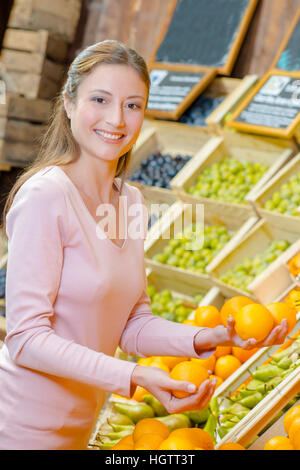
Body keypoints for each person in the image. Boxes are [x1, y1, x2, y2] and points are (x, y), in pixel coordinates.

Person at [0, 40, 288, 450]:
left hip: (81, 425)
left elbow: (132, 322)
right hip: (20, 426)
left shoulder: (131, 201)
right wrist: (133, 376)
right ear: (68, 102)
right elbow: (26, 338)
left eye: (133, 105)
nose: (116, 119)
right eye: (100, 99)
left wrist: (208, 339)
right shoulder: (46, 197)